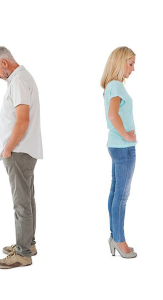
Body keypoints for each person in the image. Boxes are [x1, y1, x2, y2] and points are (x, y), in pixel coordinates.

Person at [0, 46, 43, 268]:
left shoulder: (18, 81)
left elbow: (22, 121)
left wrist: (7, 148)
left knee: (21, 204)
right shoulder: (21, 78)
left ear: (4, 63)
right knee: (27, 200)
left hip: (19, 152)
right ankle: (28, 244)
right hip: (23, 151)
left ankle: (22, 253)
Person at [101, 46, 137, 258]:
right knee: (121, 196)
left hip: (117, 146)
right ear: (120, 62)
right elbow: (113, 115)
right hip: (123, 148)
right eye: (130, 63)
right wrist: (126, 135)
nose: (133, 69)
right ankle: (119, 240)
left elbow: (114, 114)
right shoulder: (116, 85)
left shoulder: (112, 85)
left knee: (116, 193)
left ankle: (115, 236)